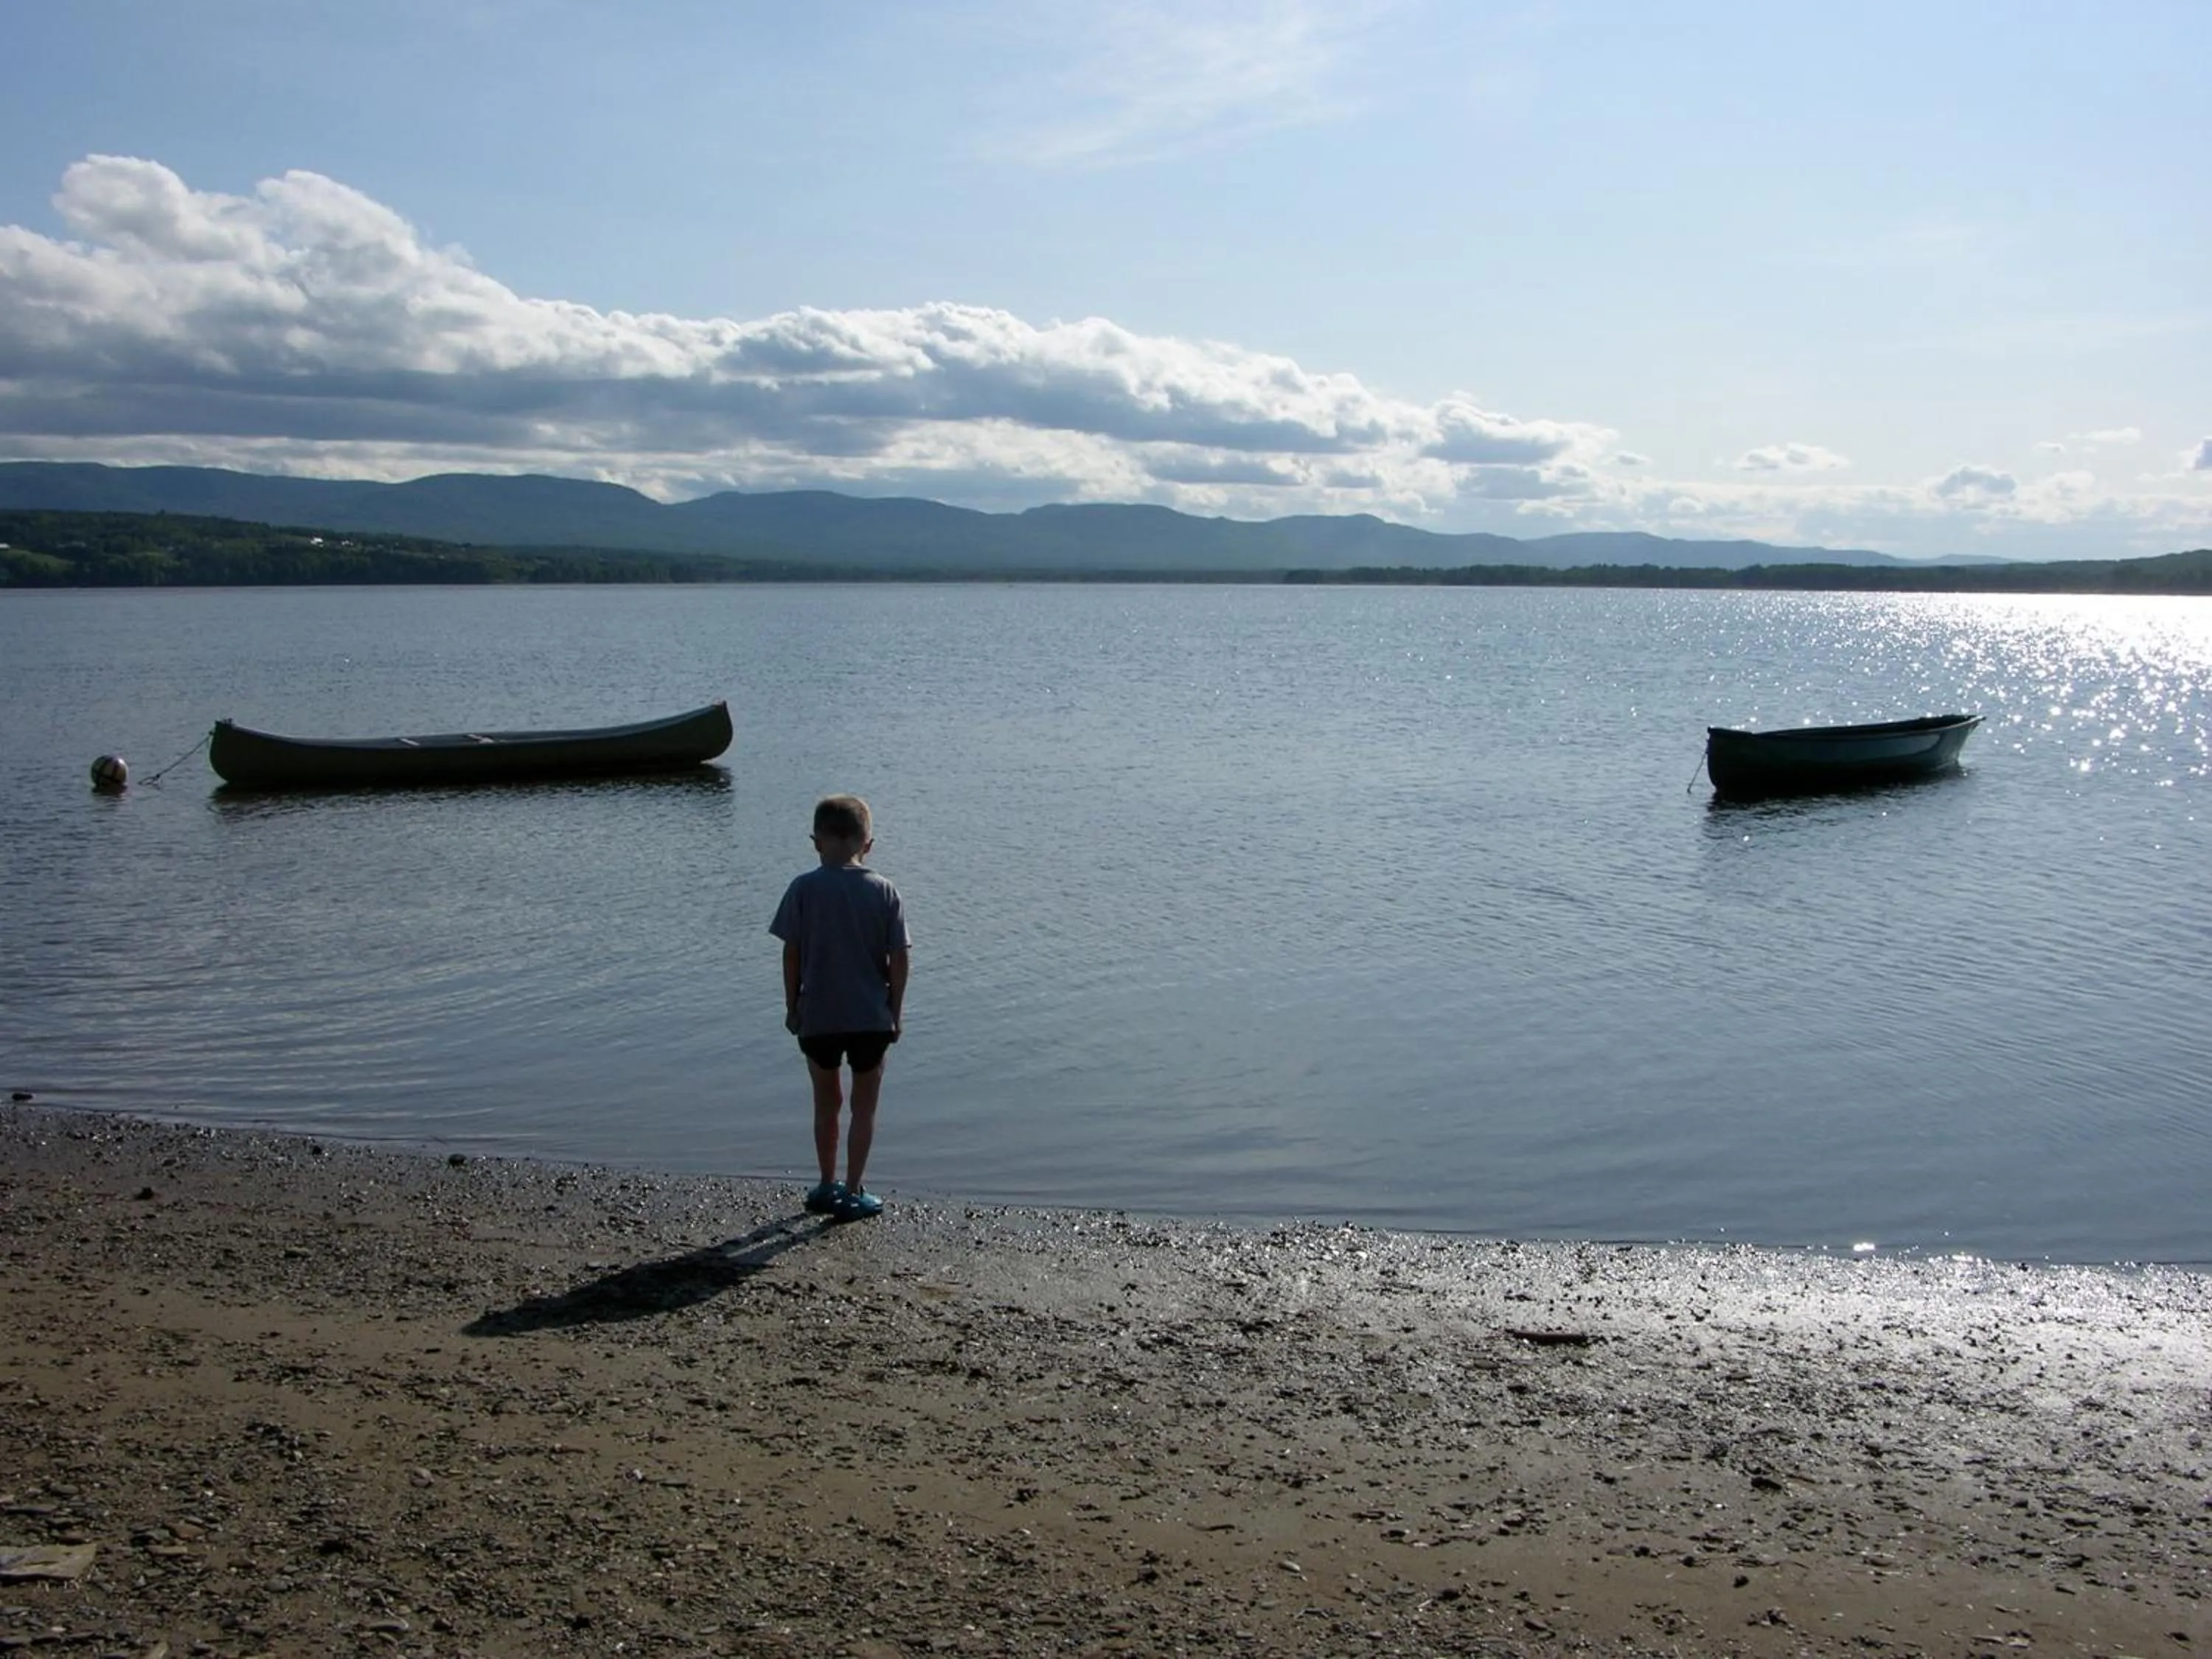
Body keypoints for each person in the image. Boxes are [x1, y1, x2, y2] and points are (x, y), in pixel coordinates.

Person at [769, 794, 911, 1222]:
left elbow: (791, 954)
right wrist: (896, 1012)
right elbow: (899, 958)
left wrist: (792, 1006)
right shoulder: (884, 890)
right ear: (868, 844)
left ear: (816, 842)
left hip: (819, 1016)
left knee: (826, 1102)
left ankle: (827, 1183)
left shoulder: (803, 889)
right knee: (864, 1107)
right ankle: (853, 1189)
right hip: (870, 1017)